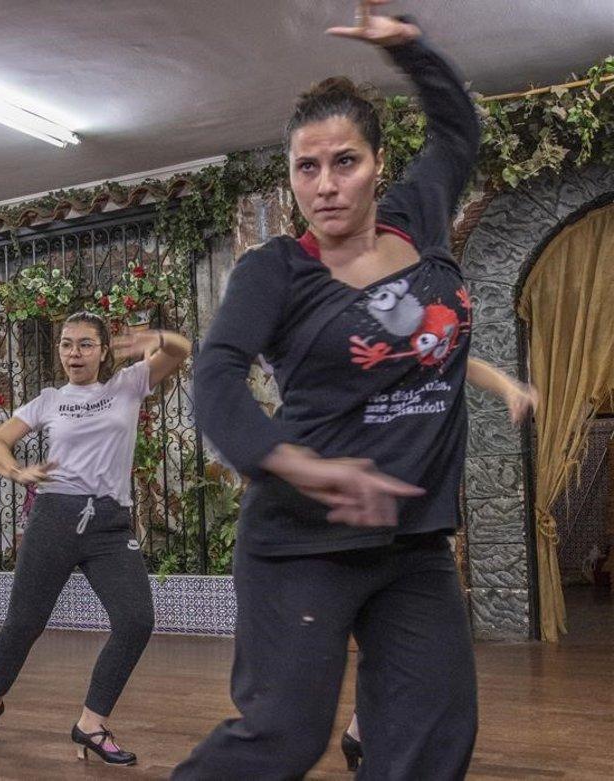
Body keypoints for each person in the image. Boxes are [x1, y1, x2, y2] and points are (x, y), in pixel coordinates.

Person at [176, 4, 484, 778]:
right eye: (306, 168)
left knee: (432, 736)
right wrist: (300, 465)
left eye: (343, 162)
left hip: (413, 541)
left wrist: (413, 49)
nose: (325, 185)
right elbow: (214, 380)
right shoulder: (274, 271)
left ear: (379, 163)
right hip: (300, 543)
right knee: (285, 735)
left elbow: (458, 132)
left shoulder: (419, 218)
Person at [0, 311, 191, 766]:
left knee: (136, 620)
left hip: (108, 523)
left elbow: (180, 351)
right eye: (66, 344)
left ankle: (91, 723)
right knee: (24, 623)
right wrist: (17, 471)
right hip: (55, 517)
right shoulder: (49, 400)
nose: (74, 353)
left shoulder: (127, 384)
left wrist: (156, 337)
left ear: (103, 350)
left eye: (85, 344)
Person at [340, 360, 538, 771]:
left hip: (416, 525)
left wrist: (509, 388)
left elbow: (463, 360)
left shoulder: (427, 353)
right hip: (358, 521)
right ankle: (363, 729)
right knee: (385, 643)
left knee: (408, 647)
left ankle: (362, 730)